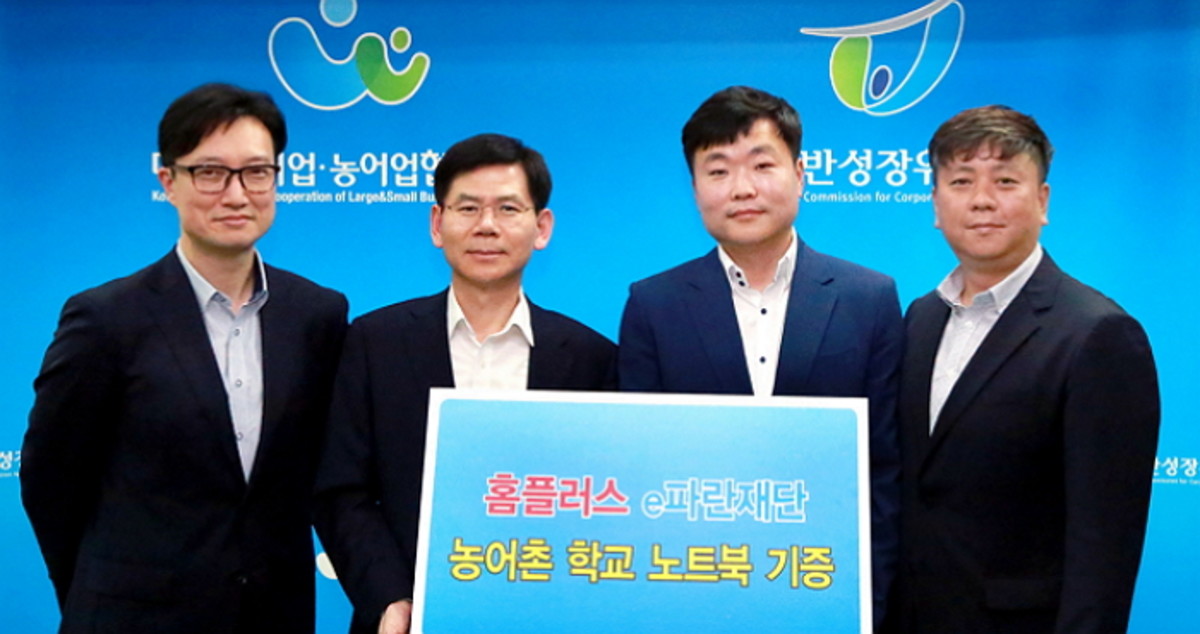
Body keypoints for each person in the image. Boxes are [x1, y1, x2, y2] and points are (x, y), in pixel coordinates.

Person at [21, 83, 348, 633]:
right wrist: (93, 590)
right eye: (211, 173)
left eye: (256, 172)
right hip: (133, 619)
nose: (236, 194)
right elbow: (50, 478)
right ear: (168, 181)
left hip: (273, 616)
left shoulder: (317, 315)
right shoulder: (106, 319)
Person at [618, 85, 902, 625]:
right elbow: (639, 469)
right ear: (695, 187)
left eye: (762, 165)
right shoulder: (654, 304)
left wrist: (872, 606)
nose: (742, 188)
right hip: (693, 591)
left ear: (800, 173)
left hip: (828, 589)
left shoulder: (868, 298)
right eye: (718, 171)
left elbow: (885, 472)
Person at [314, 133, 617, 634]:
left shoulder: (592, 360)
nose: (486, 226)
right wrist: (390, 598)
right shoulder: (374, 343)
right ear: (437, 224)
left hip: (549, 616)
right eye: (468, 208)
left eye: (508, 209)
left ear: (542, 227)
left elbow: (606, 502)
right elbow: (340, 491)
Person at [890, 105, 1160, 633]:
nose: (982, 200)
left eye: (1006, 181)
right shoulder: (921, 317)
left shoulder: (1098, 334)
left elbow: (1104, 547)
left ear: (1043, 201)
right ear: (936, 204)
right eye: (961, 181)